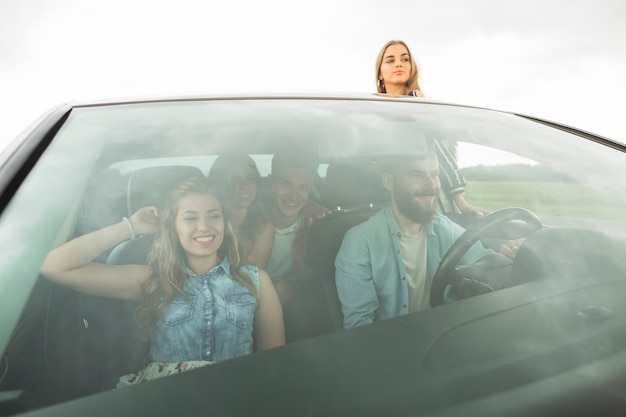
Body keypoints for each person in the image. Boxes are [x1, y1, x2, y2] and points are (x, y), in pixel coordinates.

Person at [40, 176, 285, 384]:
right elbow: (55, 265)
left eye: (214, 216)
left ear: (225, 223)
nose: (204, 226)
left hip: (237, 398)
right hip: (166, 399)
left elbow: (275, 365)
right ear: (173, 227)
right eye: (190, 218)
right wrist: (131, 226)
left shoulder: (256, 281)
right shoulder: (154, 279)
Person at [335, 143, 521, 329]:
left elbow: (483, 259)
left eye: (435, 174)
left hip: (445, 335)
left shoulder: (443, 227)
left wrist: (513, 249)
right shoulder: (359, 242)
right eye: (416, 174)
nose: (431, 185)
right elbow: (359, 327)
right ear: (389, 182)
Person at [375, 39, 490, 216]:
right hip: (385, 200)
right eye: (390, 60)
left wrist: (460, 202)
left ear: (411, 67)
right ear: (380, 73)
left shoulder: (417, 101)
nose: (399, 63)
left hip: (416, 199)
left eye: (405, 59)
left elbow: (437, 152)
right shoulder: (372, 113)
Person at [264, 149, 330, 340]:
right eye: (285, 184)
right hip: (250, 295)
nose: (294, 196)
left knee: (279, 288)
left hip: (296, 299)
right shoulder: (253, 219)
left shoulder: (319, 220)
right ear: (270, 182)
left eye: (303, 187)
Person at [207, 153, 275, 269]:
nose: (245, 186)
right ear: (220, 184)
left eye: (250, 178)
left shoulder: (263, 223)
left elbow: (254, 274)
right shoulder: (206, 222)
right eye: (235, 179)